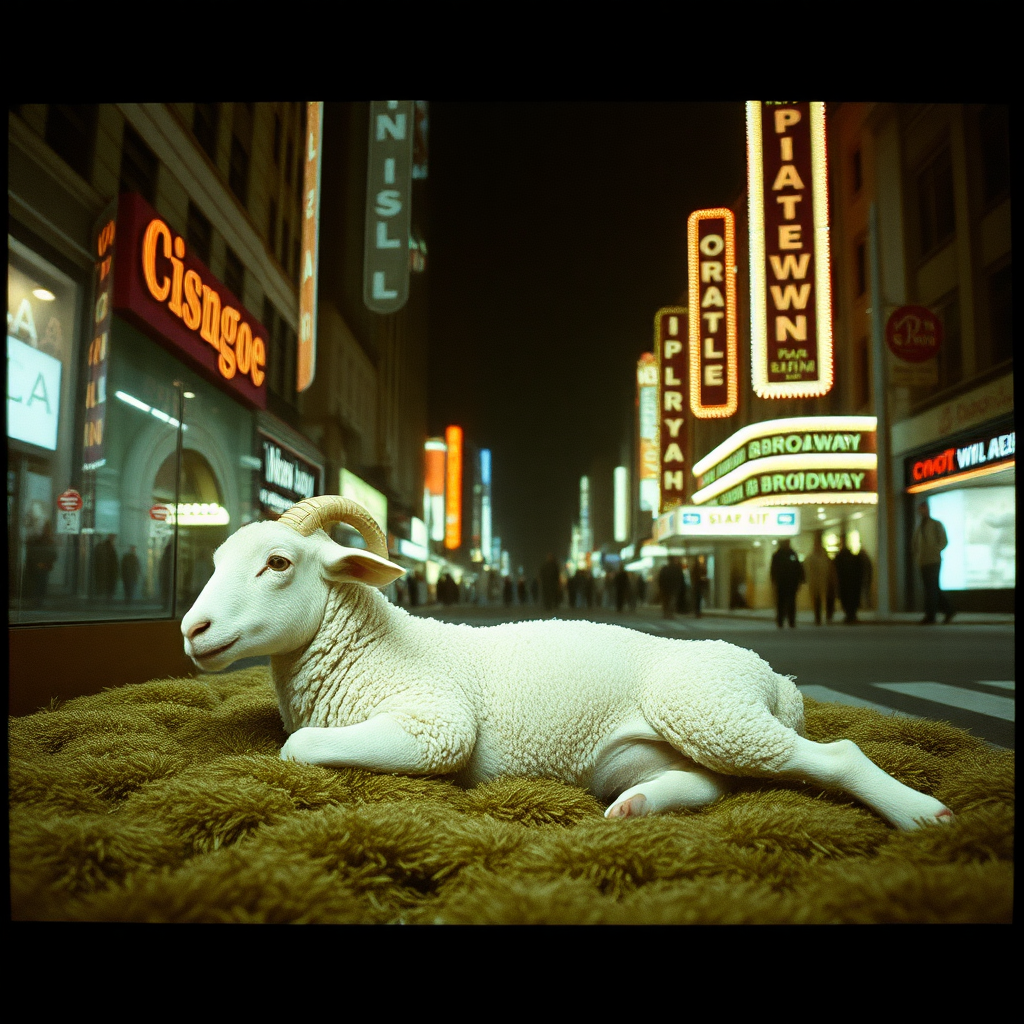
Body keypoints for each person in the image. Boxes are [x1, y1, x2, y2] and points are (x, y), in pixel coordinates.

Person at [912, 500, 955, 624]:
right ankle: (948, 610)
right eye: (920, 509)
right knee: (932, 588)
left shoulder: (936, 524)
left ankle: (931, 616)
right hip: (923, 561)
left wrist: (935, 550)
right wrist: (917, 555)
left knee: (931, 589)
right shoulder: (919, 527)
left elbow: (944, 540)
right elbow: (915, 544)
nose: (922, 511)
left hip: (933, 561)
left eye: (923, 508)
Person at [769, 538, 804, 628]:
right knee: (781, 603)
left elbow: (798, 567)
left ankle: (791, 621)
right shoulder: (777, 555)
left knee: (791, 603)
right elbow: (773, 569)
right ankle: (780, 621)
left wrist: (801, 580)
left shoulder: (793, 554)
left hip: (792, 583)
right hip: (781, 583)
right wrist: (774, 581)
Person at [833, 536, 863, 623]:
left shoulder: (843, 558)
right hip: (848, 584)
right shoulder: (842, 557)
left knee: (848, 599)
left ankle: (851, 615)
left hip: (848, 583)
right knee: (849, 599)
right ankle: (851, 615)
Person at [804, 533, 832, 625]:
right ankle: (817, 617)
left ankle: (823, 616)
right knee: (816, 600)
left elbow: (827, 569)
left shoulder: (823, 557)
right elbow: (807, 570)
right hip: (814, 583)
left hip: (822, 582)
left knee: (822, 599)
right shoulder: (811, 557)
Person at [92, 534, 119, 601]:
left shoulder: (109, 547)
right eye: (112, 537)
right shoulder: (105, 547)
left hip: (107, 573)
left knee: (105, 588)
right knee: (105, 588)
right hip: (106, 573)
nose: (113, 539)